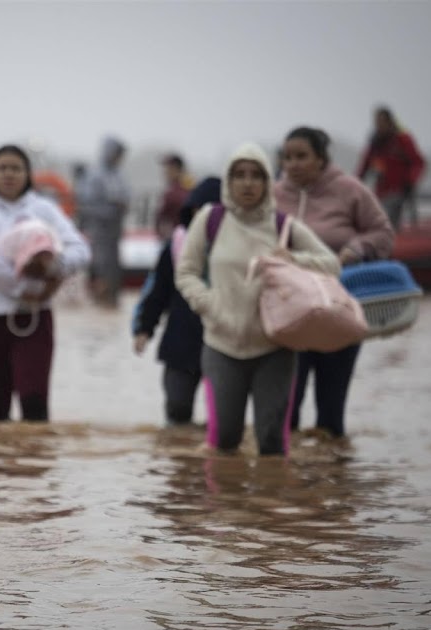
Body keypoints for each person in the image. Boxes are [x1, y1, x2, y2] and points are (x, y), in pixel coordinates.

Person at [175, 143, 339, 456]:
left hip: (275, 346)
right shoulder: (211, 219)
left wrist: (292, 258)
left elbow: (332, 264)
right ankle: (226, 504)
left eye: (256, 176)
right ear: (228, 181)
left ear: (267, 182)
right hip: (220, 344)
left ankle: (270, 502)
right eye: (239, 175)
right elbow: (186, 272)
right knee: (224, 441)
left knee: (272, 442)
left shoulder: (284, 226)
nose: (247, 183)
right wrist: (209, 305)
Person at [275, 126, 395, 439]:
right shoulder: (273, 195)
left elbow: (382, 232)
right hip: (290, 315)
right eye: (287, 157)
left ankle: (334, 482)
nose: (293, 164)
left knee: (331, 413)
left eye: (302, 156)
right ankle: (284, 483)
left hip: (340, 312)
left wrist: (355, 250)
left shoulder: (350, 189)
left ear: (321, 158)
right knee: (285, 411)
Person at [0, 144, 91, 421]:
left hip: (35, 319)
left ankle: (35, 462)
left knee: (35, 401)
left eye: (16, 168)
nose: (9, 174)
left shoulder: (44, 208)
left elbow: (80, 249)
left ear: (28, 173)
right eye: (2, 168)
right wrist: (29, 288)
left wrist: (51, 269)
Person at [131, 176, 219, 426]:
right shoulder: (174, 249)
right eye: (198, 210)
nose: (203, 217)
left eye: (211, 211)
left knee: (222, 420)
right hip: (180, 343)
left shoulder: (234, 251)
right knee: (177, 410)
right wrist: (144, 329)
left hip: (224, 343)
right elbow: (157, 293)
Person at [77, 136, 130, 308]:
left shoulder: (119, 175)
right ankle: (99, 300)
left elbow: (126, 196)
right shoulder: (94, 175)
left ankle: (111, 299)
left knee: (113, 265)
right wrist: (110, 208)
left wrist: (121, 206)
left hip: (115, 230)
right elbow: (86, 204)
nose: (118, 158)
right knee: (99, 263)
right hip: (99, 229)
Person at [355, 106, 426, 230]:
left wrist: (411, 181)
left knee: (391, 219)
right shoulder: (375, 142)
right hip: (381, 190)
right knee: (378, 217)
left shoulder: (403, 139)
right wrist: (355, 182)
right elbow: (364, 165)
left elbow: (418, 162)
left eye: (381, 122)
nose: (379, 125)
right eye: (376, 122)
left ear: (389, 121)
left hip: (400, 189)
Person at [153, 154, 190, 240]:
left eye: (168, 169)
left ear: (176, 169)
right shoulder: (188, 186)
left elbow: (162, 216)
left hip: (177, 239)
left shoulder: (175, 192)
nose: (165, 172)